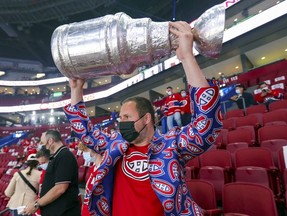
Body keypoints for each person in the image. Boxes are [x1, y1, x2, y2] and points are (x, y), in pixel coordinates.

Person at [64, 21, 222, 215]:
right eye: (120, 117)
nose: (121, 122)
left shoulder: (171, 146)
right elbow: (85, 132)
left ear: (146, 119)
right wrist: (76, 89)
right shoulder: (115, 144)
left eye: (127, 116)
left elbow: (205, 125)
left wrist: (187, 57)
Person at [22, 130, 81, 216]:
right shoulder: (56, 156)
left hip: (63, 212)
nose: (41, 145)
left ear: (50, 141)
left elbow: (60, 188)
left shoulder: (64, 156)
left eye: (42, 142)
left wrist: (36, 204)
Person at [35, 147, 50, 216]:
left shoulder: (56, 172)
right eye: (40, 163)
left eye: (43, 162)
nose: (42, 165)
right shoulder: (44, 171)